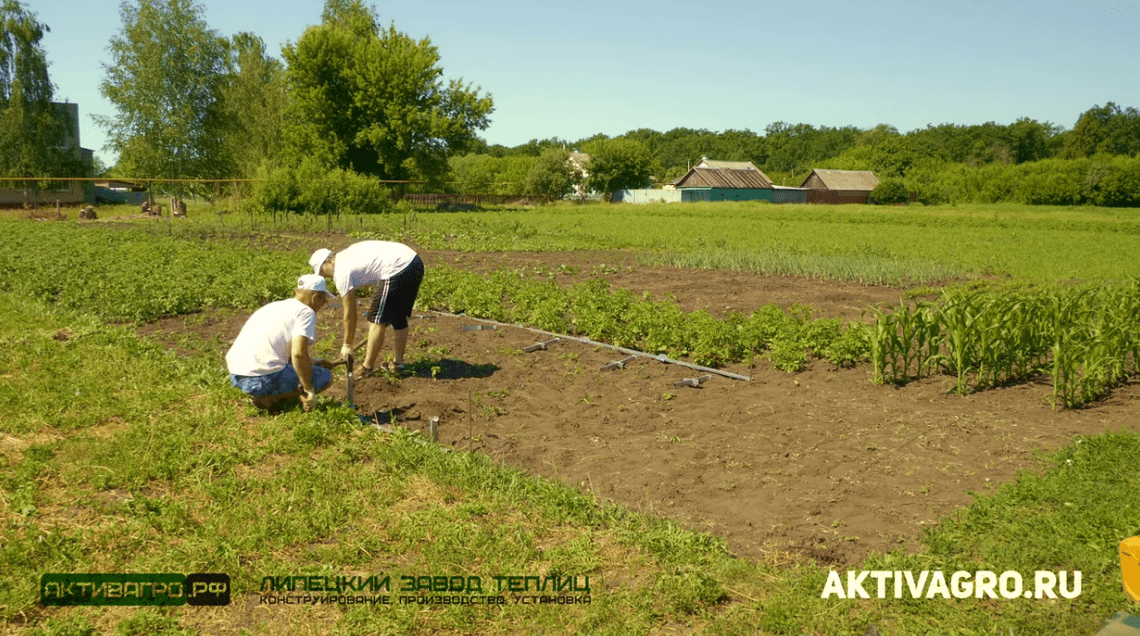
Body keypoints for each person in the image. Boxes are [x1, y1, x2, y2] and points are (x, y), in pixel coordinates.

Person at [309, 241, 425, 377]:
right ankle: (398, 364)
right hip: (414, 262)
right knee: (398, 316)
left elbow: (350, 312)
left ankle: (366, 368)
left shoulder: (341, 270)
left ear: (328, 262)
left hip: (397, 267)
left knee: (376, 319)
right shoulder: (347, 255)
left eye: (322, 272)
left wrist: (347, 344)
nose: (324, 276)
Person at [226, 274, 337, 412]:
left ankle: (271, 396)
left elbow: (284, 351)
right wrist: (308, 390)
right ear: (316, 297)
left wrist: (314, 362)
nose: (324, 304)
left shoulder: (276, 305)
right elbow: (298, 354)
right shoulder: (306, 312)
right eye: (324, 300)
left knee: (307, 369)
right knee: (324, 376)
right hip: (260, 380)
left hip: (237, 375)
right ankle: (266, 398)